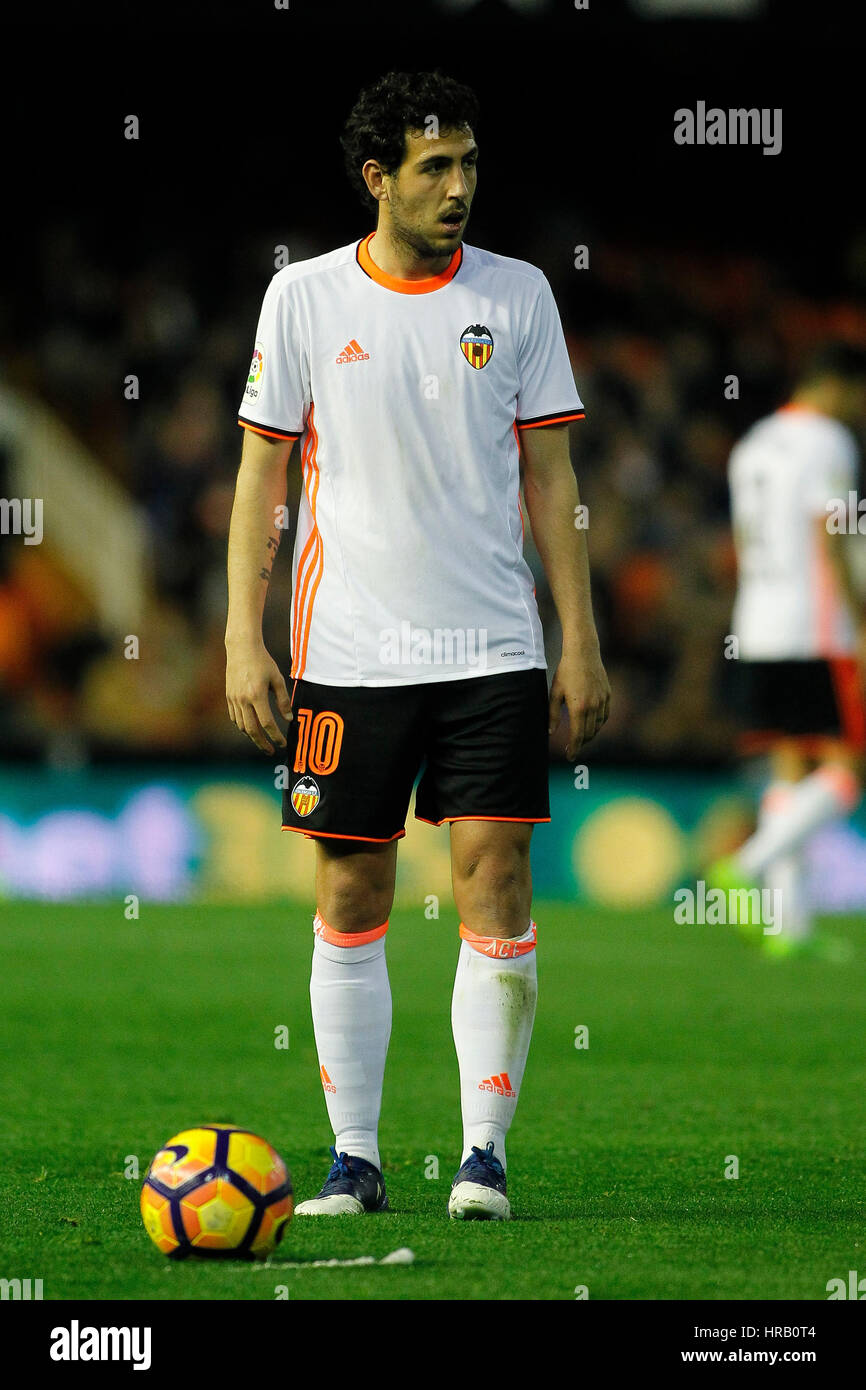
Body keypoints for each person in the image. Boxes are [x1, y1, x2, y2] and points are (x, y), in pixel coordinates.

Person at [225, 70, 609, 1219]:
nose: (458, 188)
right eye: (433, 168)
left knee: (493, 873)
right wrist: (243, 639)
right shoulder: (300, 297)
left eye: (470, 163)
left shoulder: (520, 293)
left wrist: (576, 637)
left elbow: (553, 477)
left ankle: (482, 1154)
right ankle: (355, 1160)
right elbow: (260, 474)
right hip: (348, 647)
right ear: (376, 178)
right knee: (351, 887)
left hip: (492, 641)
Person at [716, 343, 866, 957]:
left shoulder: (754, 443)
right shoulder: (828, 440)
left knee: (789, 767)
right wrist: (861, 620)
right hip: (816, 625)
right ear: (838, 387)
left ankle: (788, 926)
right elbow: (833, 533)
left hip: (757, 620)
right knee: (845, 773)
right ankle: (745, 866)